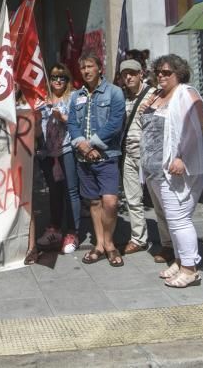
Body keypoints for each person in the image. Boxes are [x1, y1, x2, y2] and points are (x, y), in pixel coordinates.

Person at [139, 54, 203, 287]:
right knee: (171, 218)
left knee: (179, 219)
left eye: (166, 72)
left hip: (176, 169)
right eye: (158, 71)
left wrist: (182, 157)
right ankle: (179, 261)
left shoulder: (187, 93)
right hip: (154, 170)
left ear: (179, 73)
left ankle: (190, 270)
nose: (160, 75)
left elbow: (198, 127)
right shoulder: (156, 95)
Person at [67, 54, 126, 267]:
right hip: (83, 158)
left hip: (108, 155)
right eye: (82, 67)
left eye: (90, 66)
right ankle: (100, 245)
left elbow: (115, 123)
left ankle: (110, 243)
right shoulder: (75, 96)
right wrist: (82, 145)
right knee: (93, 202)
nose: (86, 71)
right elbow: (72, 123)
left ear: (99, 68)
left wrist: (93, 144)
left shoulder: (114, 92)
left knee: (110, 202)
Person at [34, 64, 80, 254]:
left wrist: (62, 117)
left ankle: (73, 232)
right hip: (47, 152)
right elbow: (37, 131)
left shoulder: (74, 98)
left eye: (62, 77)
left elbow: (77, 124)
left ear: (67, 80)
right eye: (54, 77)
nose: (58, 81)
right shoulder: (42, 99)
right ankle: (55, 229)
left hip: (67, 149)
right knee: (53, 191)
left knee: (71, 191)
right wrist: (36, 118)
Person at [118, 59, 155, 256]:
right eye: (125, 74)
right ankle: (138, 239)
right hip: (128, 154)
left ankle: (167, 242)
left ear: (141, 74)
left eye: (132, 73)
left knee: (159, 200)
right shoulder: (121, 96)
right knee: (133, 198)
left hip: (149, 155)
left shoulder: (153, 94)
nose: (128, 77)